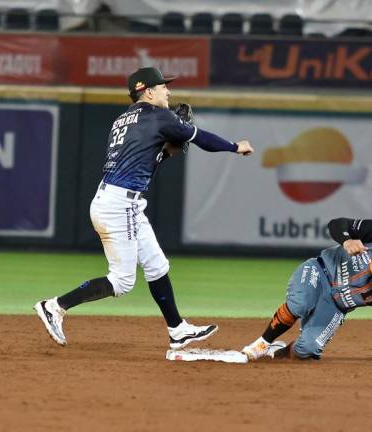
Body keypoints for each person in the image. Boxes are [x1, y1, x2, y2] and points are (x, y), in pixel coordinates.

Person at [35, 66, 254, 349]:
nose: (168, 91)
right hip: (118, 204)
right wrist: (235, 146)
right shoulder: (158, 116)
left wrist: (165, 152)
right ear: (148, 91)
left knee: (156, 265)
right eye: (163, 87)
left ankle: (177, 329)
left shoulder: (122, 120)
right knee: (122, 281)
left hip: (121, 201)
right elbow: (201, 138)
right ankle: (55, 306)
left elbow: (145, 160)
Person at [241, 217, 372, 367]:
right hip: (319, 272)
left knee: (306, 349)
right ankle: (262, 344)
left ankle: (276, 352)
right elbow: (336, 224)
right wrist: (347, 240)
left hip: (335, 306)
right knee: (301, 303)